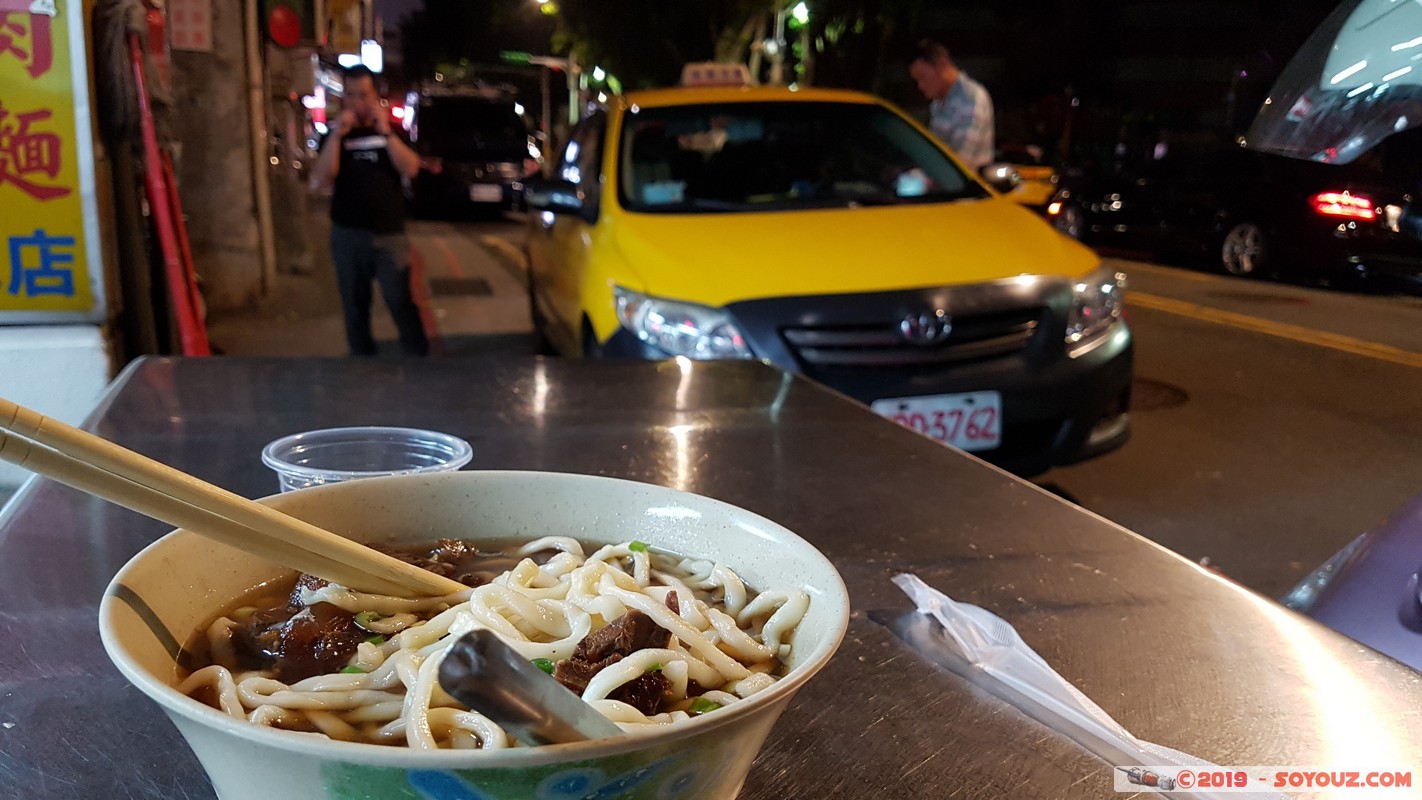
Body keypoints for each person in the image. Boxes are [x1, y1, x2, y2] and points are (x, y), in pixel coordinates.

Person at [312, 65, 429, 356]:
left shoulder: (393, 132)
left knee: (400, 302)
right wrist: (338, 134)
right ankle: (362, 367)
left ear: (376, 96)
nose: (356, 102)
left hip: (389, 236)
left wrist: (386, 132)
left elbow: (411, 168)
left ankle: (420, 364)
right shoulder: (335, 135)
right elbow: (323, 177)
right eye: (350, 95)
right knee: (354, 308)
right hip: (348, 235)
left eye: (363, 95)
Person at [908, 39, 995, 172]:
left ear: (942, 64)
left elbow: (961, 161)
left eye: (922, 77)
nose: (920, 86)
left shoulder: (970, 97)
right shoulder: (938, 101)